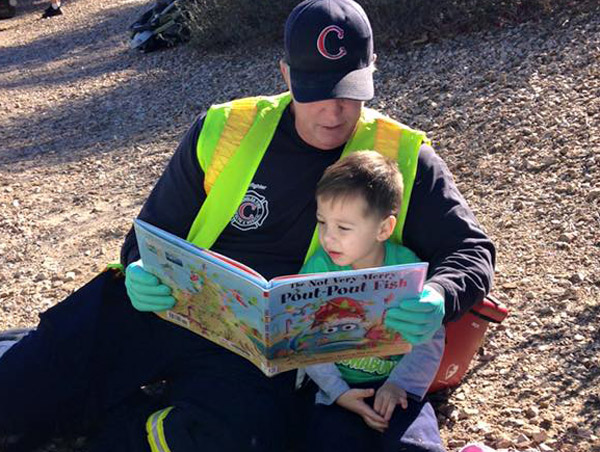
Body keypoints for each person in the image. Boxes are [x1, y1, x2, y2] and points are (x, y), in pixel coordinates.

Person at [0, 0, 495, 451]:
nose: (333, 111)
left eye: (348, 92)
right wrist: (137, 268)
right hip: (172, 310)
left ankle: (115, 426)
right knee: (28, 383)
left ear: (371, 71)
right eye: (315, 91)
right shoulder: (225, 128)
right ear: (285, 74)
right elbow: (149, 232)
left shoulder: (402, 156)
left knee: (236, 435)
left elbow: (471, 251)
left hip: (267, 359)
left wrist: (440, 295)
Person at [301, 151, 445, 451]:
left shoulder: (406, 270)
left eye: (343, 228)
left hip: (397, 387)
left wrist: (400, 385)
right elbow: (304, 338)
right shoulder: (318, 268)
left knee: (417, 446)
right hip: (334, 390)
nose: (328, 237)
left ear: (383, 229)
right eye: (321, 222)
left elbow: (428, 335)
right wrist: (338, 392)